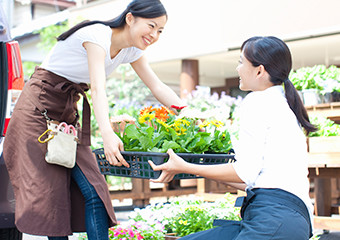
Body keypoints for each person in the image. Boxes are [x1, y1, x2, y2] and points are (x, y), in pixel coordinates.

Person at [3, 0, 184, 239]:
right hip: (37, 108)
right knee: (51, 195)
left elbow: (157, 85)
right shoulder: (97, 34)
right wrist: (107, 134)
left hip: (67, 112)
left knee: (95, 192)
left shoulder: (132, 50)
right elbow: (98, 89)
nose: (154, 35)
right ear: (130, 18)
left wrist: (185, 110)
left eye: (160, 30)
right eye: (151, 26)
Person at [149, 36, 317, 240]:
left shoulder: (257, 101)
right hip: (290, 220)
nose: (237, 69)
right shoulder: (284, 104)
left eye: (240, 62)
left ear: (259, 70)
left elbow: (244, 173)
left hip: (273, 220)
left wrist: (185, 166)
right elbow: (254, 180)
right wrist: (194, 168)